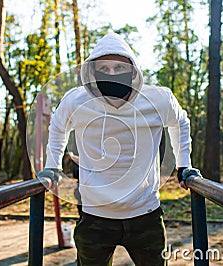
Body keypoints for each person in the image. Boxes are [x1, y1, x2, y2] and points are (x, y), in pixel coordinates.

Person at [38, 32, 193, 266]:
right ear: (92, 72)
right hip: (94, 217)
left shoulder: (158, 99)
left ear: (132, 71)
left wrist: (184, 165)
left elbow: (180, 122)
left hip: (145, 213)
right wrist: (52, 166)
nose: (111, 74)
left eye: (119, 68)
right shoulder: (76, 101)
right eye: (104, 69)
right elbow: (58, 127)